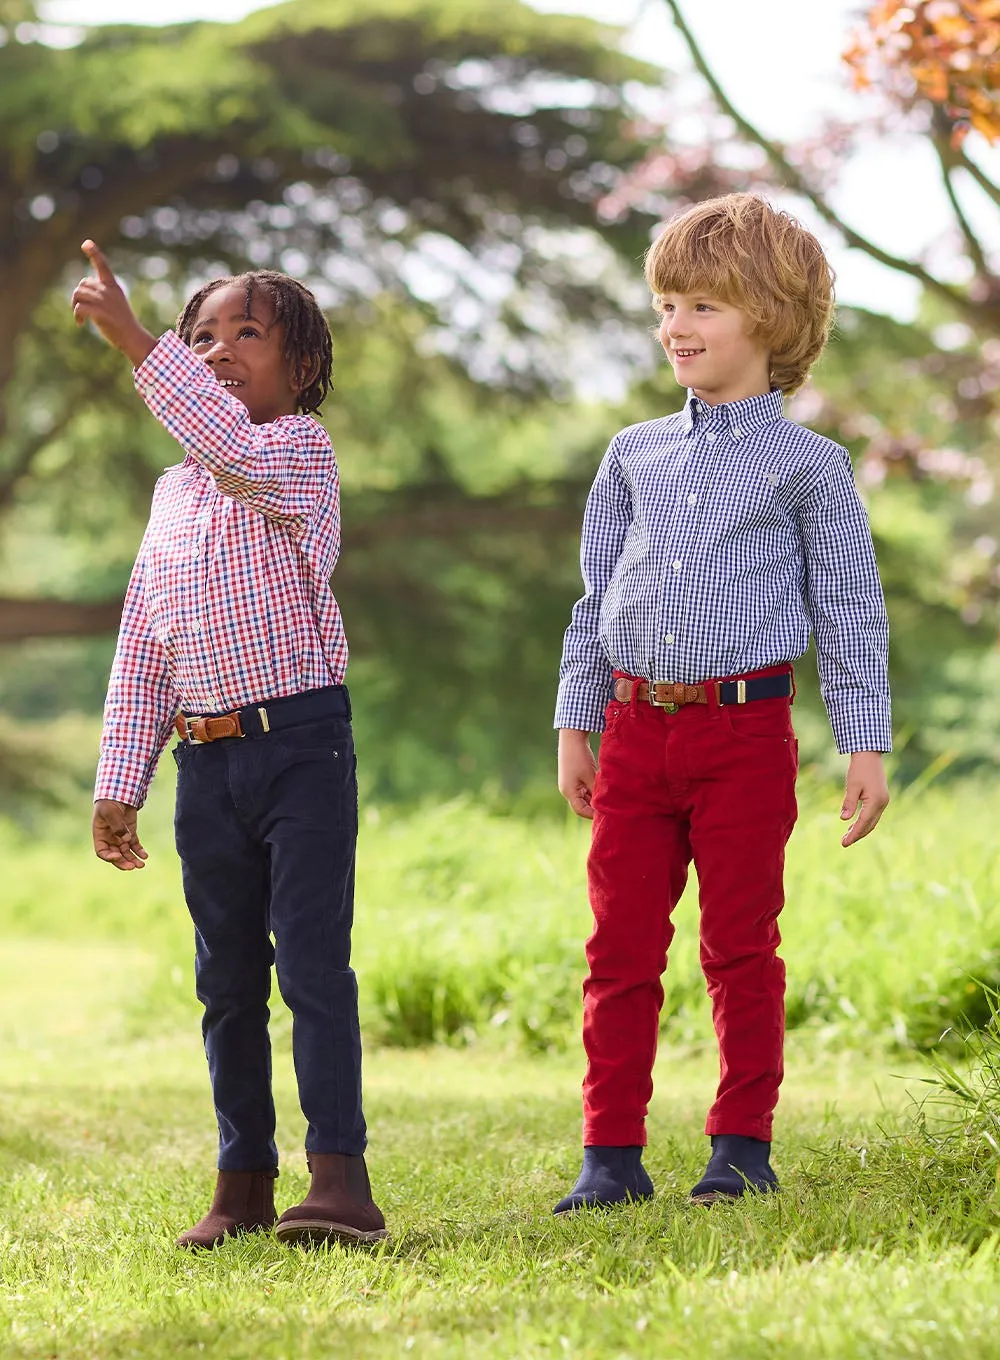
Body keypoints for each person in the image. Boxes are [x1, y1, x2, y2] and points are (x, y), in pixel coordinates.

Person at [552, 193, 891, 1213]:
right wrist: (578, 718)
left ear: (771, 321)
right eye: (667, 304)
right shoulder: (632, 454)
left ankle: (739, 1145)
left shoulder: (810, 468)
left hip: (743, 735)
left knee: (739, 944)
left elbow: (849, 611)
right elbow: (593, 595)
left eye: (703, 304)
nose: (677, 327)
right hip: (632, 730)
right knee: (617, 950)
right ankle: (608, 1156)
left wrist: (864, 744)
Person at [72, 241, 387, 1249]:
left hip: (300, 746)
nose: (214, 348)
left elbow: (234, 452)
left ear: (301, 369)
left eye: (246, 332)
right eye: (197, 333)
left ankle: (338, 1179)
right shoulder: (174, 495)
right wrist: (121, 779)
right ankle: (242, 1184)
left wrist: (136, 344)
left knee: (309, 966)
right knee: (225, 981)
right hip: (205, 764)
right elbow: (144, 635)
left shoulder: (295, 451)